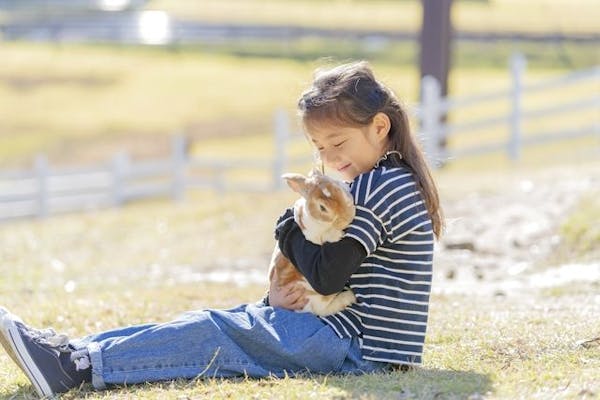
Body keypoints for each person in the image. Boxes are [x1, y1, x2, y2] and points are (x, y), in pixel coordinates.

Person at [0, 61, 444, 398]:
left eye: (338, 143)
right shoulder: (384, 180)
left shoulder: (380, 186)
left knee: (218, 332)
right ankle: (70, 353)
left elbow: (327, 275)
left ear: (379, 127)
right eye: (319, 147)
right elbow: (335, 272)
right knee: (220, 322)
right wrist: (276, 298)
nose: (329, 157)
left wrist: (285, 228)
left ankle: (77, 366)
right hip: (345, 335)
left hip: (356, 346)